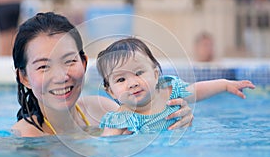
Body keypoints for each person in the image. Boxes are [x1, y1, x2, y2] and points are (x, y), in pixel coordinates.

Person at [11, 12, 194, 137]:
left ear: (84, 63)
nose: (61, 77)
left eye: (69, 61)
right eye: (43, 67)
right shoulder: (25, 137)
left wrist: (173, 118)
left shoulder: (103, 109)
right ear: (24, 77)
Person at [96, 37, 255, 136]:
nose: (133, 83)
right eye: (121, 79)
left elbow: (196, 91)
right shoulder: (121, 118)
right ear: (111, 92)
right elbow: (106, 146)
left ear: (156, 75)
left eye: (139, 72)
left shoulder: (171, 91)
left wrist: (225, 85)